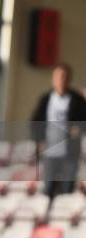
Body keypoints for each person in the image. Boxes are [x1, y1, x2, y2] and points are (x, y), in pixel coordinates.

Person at [31, 63, 86, 201]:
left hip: (70, 152)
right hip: (50, 151)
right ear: (53, 79)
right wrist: (39, 140)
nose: (61, 80)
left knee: (67, 188)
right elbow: (35, 121)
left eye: (64, 77)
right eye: (59, 77)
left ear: (69, 80)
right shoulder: (45, 99)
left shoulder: (77, 100)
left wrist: (79, 129)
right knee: (48, 187)